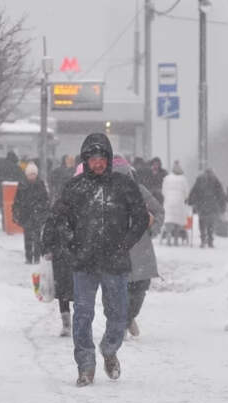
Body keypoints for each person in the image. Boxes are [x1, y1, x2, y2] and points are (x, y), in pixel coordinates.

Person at [53, 133, 149, 387]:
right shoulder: (74, 188)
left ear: (108, 158)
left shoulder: (124, 185)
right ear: (85, 160)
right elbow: (60, 220)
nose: (97, 163)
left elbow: (140, 217)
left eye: (101, 158)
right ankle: (85, 366)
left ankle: (109, 349)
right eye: (92, 159)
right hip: (83, 262)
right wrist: (72, 243)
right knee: (82, 315)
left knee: (118, 314)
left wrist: (126, 243)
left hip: (115, 262)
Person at [111, 154, 164, 338]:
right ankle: (123, 321)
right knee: (121, 291)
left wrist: (153, 229)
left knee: (140, 289)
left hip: (141, 248)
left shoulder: (140, 191)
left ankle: (128, 318)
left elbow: (158, 211)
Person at [41, 200, 75, 337]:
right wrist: (47, 250)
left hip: (77, 259)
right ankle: (66, 323)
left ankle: (79, 323)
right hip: (61, 259)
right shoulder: (56, 214)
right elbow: (47, 235)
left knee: (79, 293)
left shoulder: (84, 211)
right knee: (64, 293)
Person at [12, 162, 49, 264]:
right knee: (27, 237)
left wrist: (44, 212)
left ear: (36, 174)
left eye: (33, 174)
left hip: (38, 214)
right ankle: (28, 257)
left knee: (37, 237)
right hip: (26, 214)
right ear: (26, 175)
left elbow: (45, 200)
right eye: (30, 174)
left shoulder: (40, 184)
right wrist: (15, 211)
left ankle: (37, 257)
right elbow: (17, 200)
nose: (32, 176)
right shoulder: (22, 185)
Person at [188, 168, 226, 248]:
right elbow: (220, 193)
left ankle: (203, 240)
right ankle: (210, 241)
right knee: (211, 223)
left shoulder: (200, 179)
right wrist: (222, 205)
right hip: (212, 205)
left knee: (202, 222)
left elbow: (194, 191)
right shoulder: (215, 180)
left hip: (202, 205)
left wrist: (190, 200)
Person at [161, 161, 190, 246]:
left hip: (169, 202)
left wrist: (167, 196)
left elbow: (163, 191)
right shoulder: (183, 179)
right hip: (179, 202)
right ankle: (176, 239)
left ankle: (169, 235)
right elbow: (186, 192)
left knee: (169, 220)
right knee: (177, 221)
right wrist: (184, 198)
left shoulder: (167, 178)